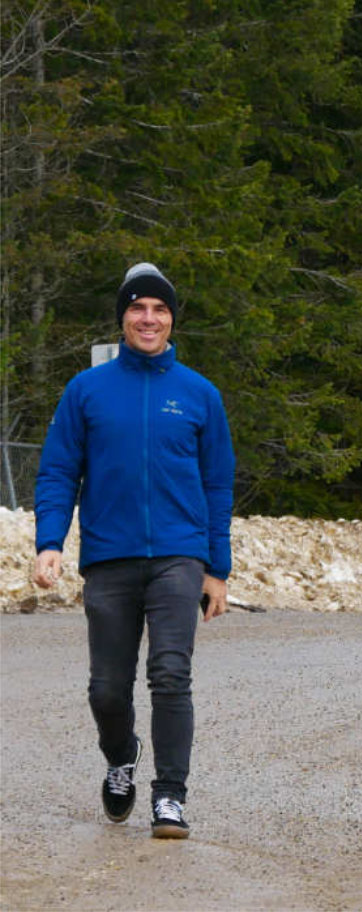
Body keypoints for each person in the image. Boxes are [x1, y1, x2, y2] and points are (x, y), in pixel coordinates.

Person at [31, 263, 235, 840]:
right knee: (106, 688)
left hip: (179, 555)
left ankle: (169, 796)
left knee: (171, 675)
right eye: (139, 308)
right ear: (123, 317)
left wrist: (216, 567)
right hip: (109, 556)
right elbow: (58, 470)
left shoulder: (199, 394)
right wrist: (51, 541)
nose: (150, 318)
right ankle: (121, 757)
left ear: (172, 320)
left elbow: (218, 484)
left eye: (160, 309)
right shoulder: (86, 391)